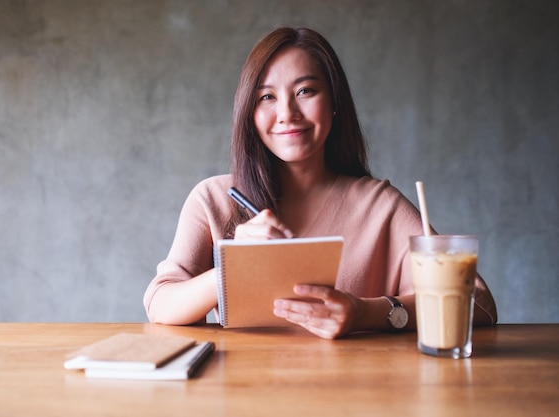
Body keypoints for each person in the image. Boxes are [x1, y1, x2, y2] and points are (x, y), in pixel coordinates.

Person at [143, 27, 497, 339]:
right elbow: (160, 305)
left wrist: (364, 313)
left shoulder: (380, 206)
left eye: (305, 91)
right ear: (249, 114)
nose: (287, 114)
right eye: (266, 97)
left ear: (334, 104)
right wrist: (232, 262)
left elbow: (478, 304)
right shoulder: (213, 200)